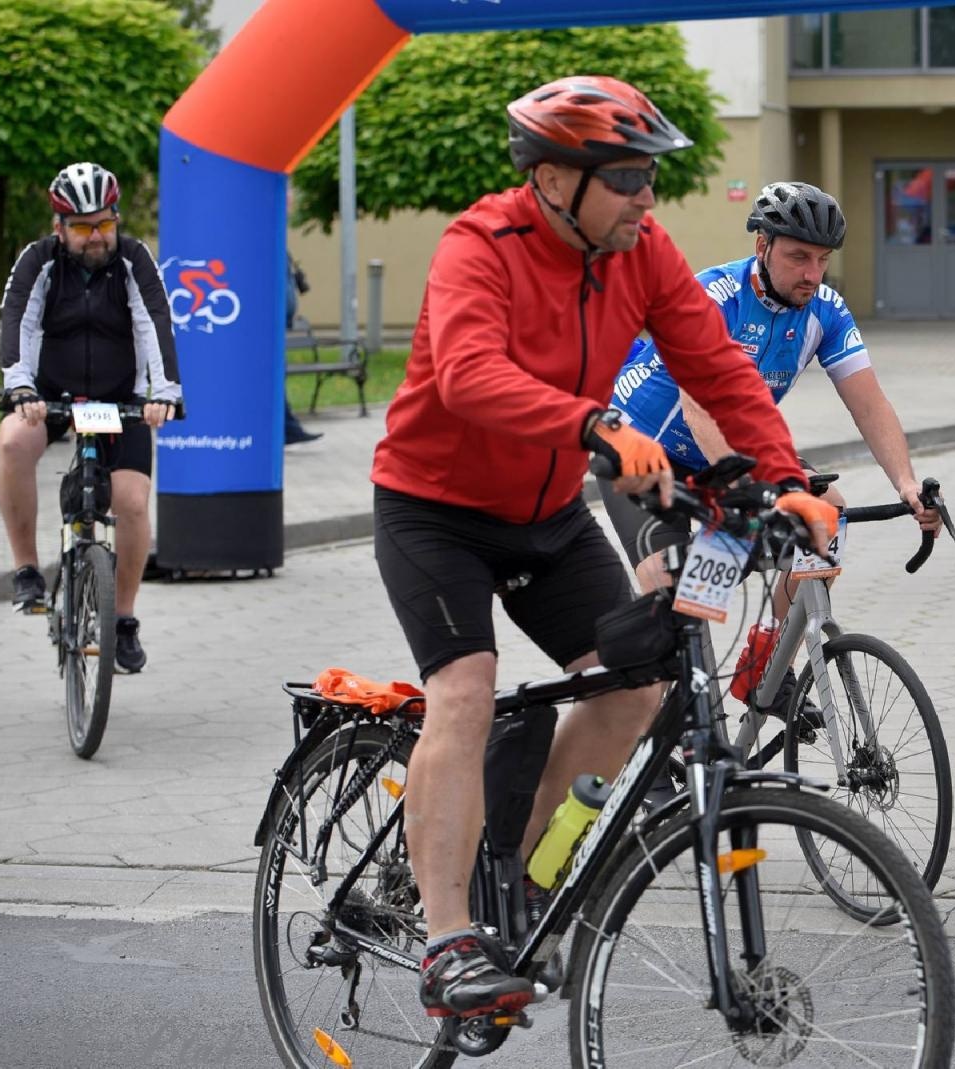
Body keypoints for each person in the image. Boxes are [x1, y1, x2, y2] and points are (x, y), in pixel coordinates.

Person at [368, 76, 839, 1019]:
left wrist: (784, 478)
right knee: (465, 688)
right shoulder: (481, 244)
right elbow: (466, 375)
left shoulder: (644, 253)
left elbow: (720, 368)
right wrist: (592, 426)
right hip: (436, 510)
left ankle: (520, 872)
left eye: (651, 178)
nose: (647, 199)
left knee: (636, 683)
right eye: (625, 178)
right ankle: (447, 935)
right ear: (551, 178)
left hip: (546, 514)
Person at [599, 181, 940, 711]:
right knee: (676, 595)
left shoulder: (825, 310)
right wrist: (752, 492)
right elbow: (700, 408)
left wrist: (907, 482)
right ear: (762, 247)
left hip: (729, 450)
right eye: (798, 257)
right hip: (646, 451)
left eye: (822, 259)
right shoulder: (712, 297)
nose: (812, 273)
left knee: (829, 517)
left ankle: (762, 664)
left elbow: (869, 403)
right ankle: (657, 736)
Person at [0, 162, 182, 672]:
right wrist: (21, 387)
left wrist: (162, 393)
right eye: (81, 227)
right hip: (51, 393)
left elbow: (154, 321)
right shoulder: (37, 261)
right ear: (59, 227)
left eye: (103, 223)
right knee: (13, 441)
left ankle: (122, 619)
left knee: (131, 501)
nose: (95, 236)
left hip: (116, 396)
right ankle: (27, 570)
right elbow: (18, 320)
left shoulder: (133, 259)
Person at [282, 253, 321, 445]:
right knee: (275, 377)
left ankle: (290, 429)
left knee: (277, 377)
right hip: (268, 326)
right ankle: (290, 429)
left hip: (278, 326)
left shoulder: (280, 248)